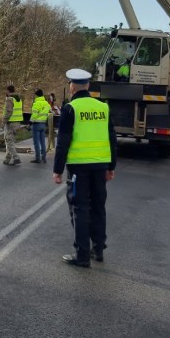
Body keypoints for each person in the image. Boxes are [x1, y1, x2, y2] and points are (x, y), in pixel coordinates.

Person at [52, 68, 117, 268]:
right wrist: (111, 166)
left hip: (79, 168)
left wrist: (57, 169)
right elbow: (112, 139)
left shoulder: (70, 108)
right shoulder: (103, 107)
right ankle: (98, 249)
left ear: (72, 86)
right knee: (98, 206)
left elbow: (63, 141)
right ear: (88, 86)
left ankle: (81, 254)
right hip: (100, 165)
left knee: (80, 209)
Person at [2, 84, 23, 166]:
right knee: (10, 141)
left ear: (8, 90)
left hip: (10, 123)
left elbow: (8, 112)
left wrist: (3, 122)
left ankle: (16, 157)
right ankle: (7, 159)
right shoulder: (18, 99)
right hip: (17, 122)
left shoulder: (9, 99)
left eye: (6, 90)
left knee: (9, 141)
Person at [29, 89, 51, 163]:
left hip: (36, 125)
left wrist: (30, 123)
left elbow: (34, 114)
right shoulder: (47, 104)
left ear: (36, 95)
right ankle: (44, 157)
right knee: (42, 142)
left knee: (36, 142)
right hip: (43, 124)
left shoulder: (36, 103)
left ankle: (38, 158)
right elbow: (51, 112)